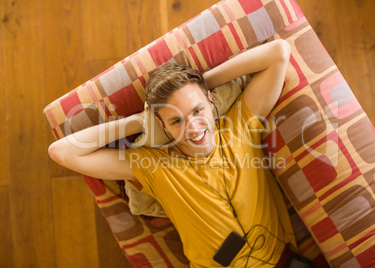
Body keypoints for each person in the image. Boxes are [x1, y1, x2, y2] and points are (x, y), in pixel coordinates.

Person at [48, 39, 300, 267]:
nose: (193, 128)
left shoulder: (239, 126)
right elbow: (62, 152)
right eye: (176, 121)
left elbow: (278, 53)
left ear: (210, 102)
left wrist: (202, 84)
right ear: (162, 125)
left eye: (197, 110)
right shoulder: (153, 165)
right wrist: (141, 120)